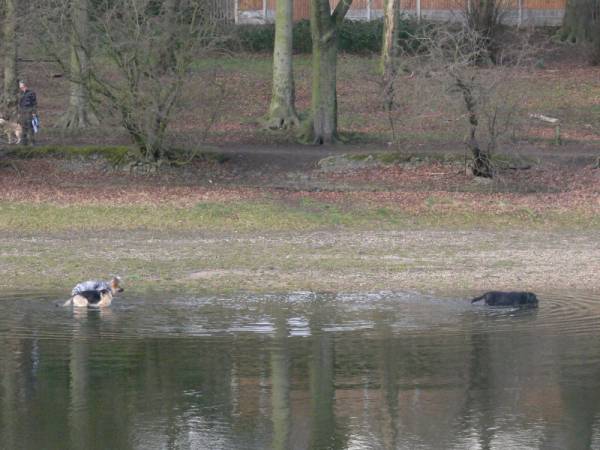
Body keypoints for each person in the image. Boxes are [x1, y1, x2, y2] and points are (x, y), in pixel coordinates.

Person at [17, 79, 37, 146]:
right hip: (22, 112)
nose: (19, 85)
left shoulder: (31, 93)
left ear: (24, 84)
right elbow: (19, 104)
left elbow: (34, 103)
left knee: (30, 127)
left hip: (29, 111)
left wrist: (34, 112)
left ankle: (32, 142)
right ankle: (24, 142)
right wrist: (18, 113)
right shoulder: (20, 93)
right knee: (23, 127)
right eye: (19, 84)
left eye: (20, 84)